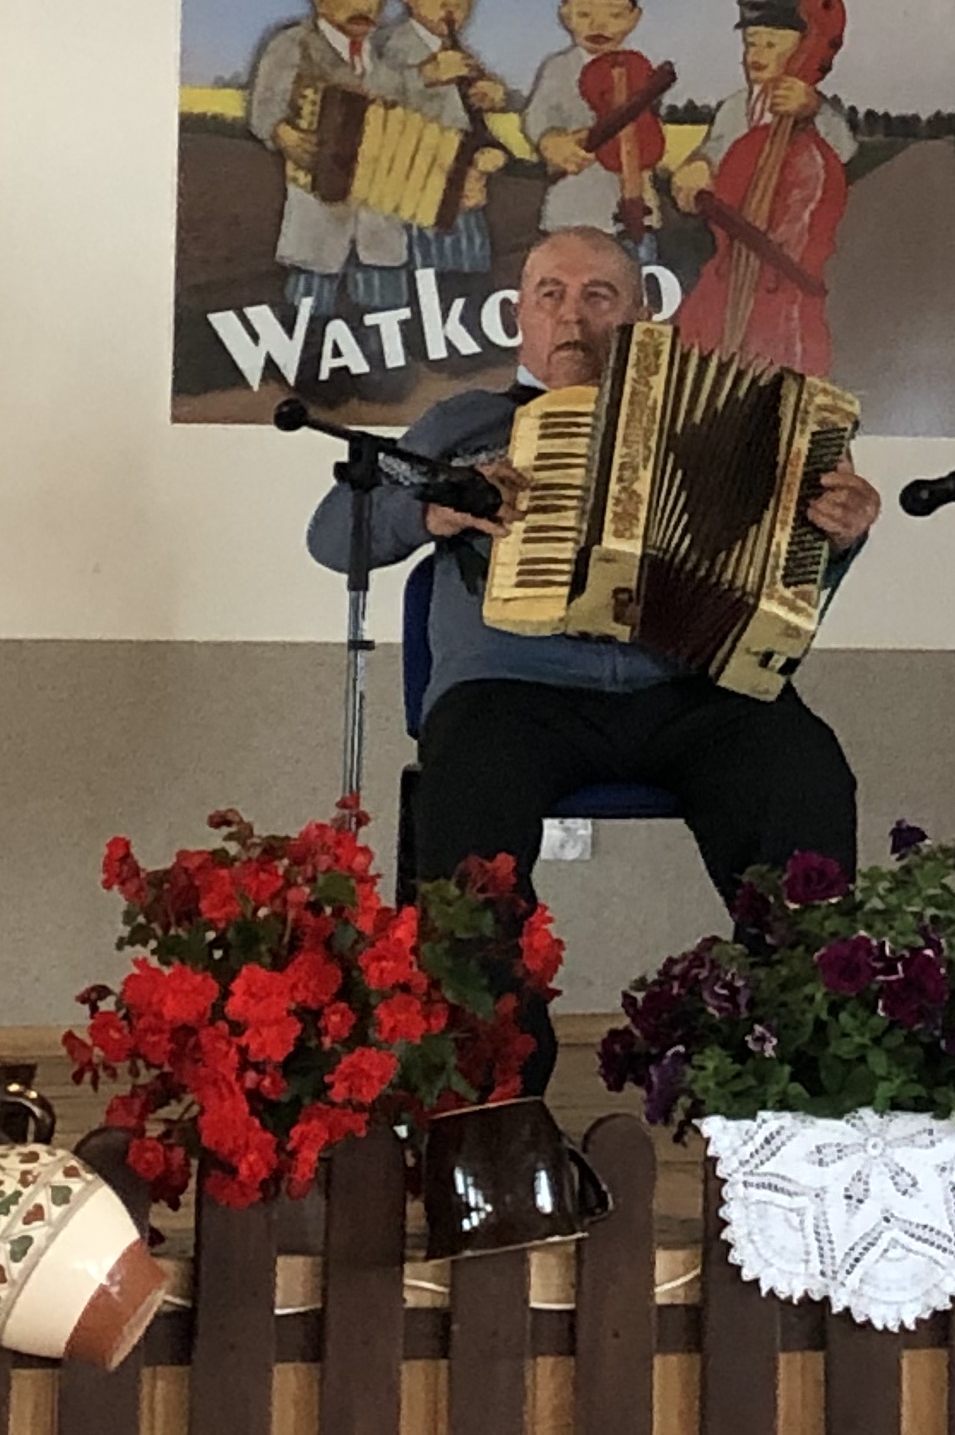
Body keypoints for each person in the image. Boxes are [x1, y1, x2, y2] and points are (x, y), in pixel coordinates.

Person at [312, 225, 880, 923]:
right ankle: (486, 997)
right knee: (465, 802)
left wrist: (840, 533)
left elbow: (781, 565)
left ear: (642, 314)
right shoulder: (462, 424)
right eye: (550, 295)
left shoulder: (713, 421)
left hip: (692, 692)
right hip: (511, 695)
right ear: (519, 314)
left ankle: (793, 989)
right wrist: (432, 510)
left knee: (802, 772)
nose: (572, 317)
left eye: (599, 296)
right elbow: (333, 537)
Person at [672, 0, 855, 374]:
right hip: (730, 255)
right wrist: (698, 166)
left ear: (802, 49)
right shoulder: (733, 108)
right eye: (751, 43)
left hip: (781, 267)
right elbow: (716, 148)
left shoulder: (814, 107)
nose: (756, 54)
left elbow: (843, 151)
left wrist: (812, 109)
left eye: (771, 44)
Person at [248, 0, 411, 323]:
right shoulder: (293, 46)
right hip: (317, 211)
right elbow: (264, 111)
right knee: (310, 304)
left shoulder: (388, 60)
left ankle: (379, 352)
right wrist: (285, 135)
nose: (367, 4)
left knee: (382, 308)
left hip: (378, 213)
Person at [375, 0, 510, 286]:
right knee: (425, 287)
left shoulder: (460, 54)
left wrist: (489, 99)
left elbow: (467, 122)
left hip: (463, 198)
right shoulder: (388, 46)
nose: (450, 6)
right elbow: (371, 97)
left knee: (469, 285)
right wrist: (426, 75)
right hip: (413, 199)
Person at [525, 0, 664, 251]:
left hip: (635, 209)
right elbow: (539, 117)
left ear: (634, 18)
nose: (599, 26)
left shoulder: (640, 69)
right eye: (585, 14)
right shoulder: (559, 69)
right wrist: (552, 142)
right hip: (574, 207)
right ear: (565, 13)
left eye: (615, 16)